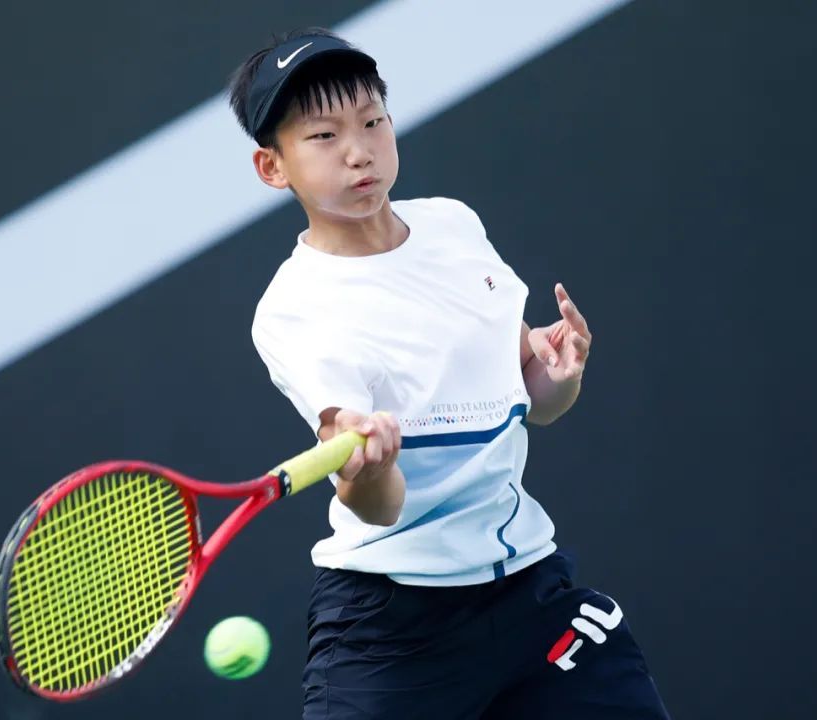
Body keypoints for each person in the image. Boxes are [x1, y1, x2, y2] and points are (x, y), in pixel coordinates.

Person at [227, 27, 669, 719]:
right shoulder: (294, 310)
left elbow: (534, 401)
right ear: (272, 167)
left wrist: (557, 371)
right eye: (323, 136)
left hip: (529, 590)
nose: (358, 151)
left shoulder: (453, 227)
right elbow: (379, 505)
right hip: (394, 625)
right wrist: (370, 467)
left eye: (373, 122)